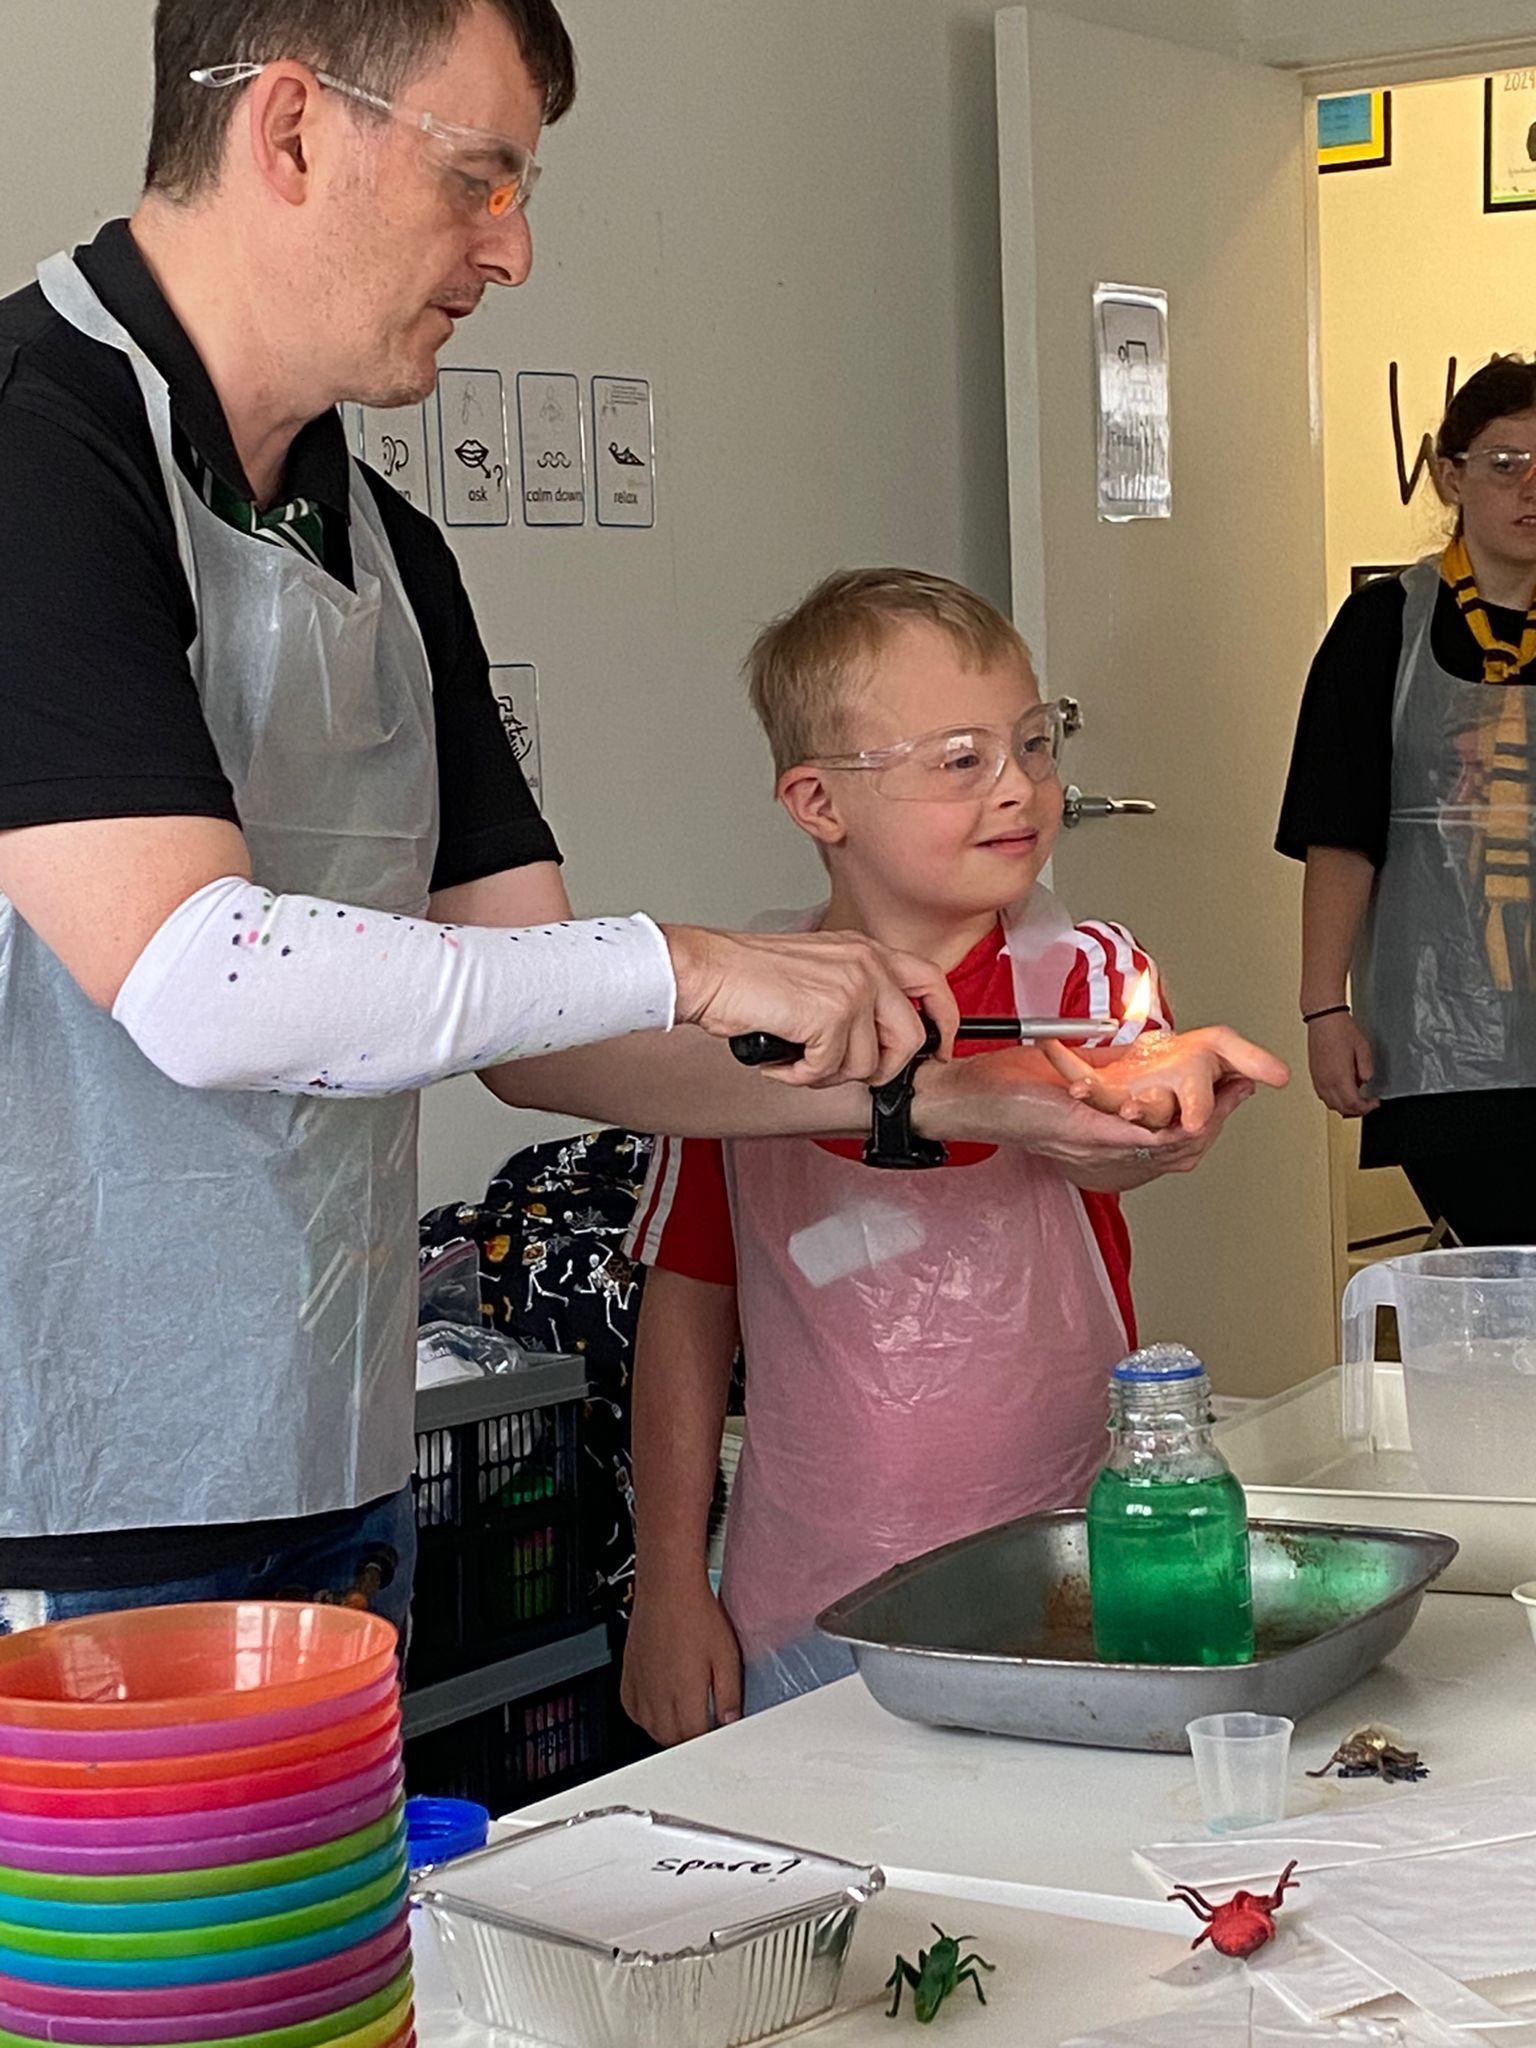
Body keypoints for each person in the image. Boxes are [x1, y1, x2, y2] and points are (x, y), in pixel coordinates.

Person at [0, 1, 1279, 1639]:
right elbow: (199, 978)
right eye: (480, 179)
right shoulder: (42, 445)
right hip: (66, 1490)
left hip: (320, 1445)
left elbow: (545, 1027)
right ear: (296, 129)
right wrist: (698, 960)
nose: (514, 249)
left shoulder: (381, 541)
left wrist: (983, 1094)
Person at [619, 569, 1288, 1739]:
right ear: (819, 801)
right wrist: (672, 1580)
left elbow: (1110, 1134)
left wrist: (1151, 1104)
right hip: (804, 1595)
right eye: (962, 758)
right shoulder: (736, 1017)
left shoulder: (1083, 975)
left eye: (1035, 743)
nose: (1021, 786)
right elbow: (690, 1296)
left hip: (1069, 1570)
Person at [1278, 355, 1536, 1246]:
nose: (1531, 487)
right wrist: (1325, 1009)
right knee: (1500, 1279)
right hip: (1442, 1034)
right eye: (1507, 463)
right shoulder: (1382, 625)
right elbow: (1338, 836)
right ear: (1450, 473)